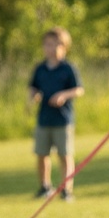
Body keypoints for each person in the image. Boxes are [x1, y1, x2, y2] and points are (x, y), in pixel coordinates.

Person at [28, 26, 84, 201]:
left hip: (63, 119)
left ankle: (66, 189)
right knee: (42, 154)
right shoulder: (40, 68)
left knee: (64, 155)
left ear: (64, 46)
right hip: (44, 118)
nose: (50, 48)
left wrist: (63, 95)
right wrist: (33, 97)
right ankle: (45, 186)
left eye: (54, 44)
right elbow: (33, 87)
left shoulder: (68, 68)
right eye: (47, 44)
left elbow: (79, 90)